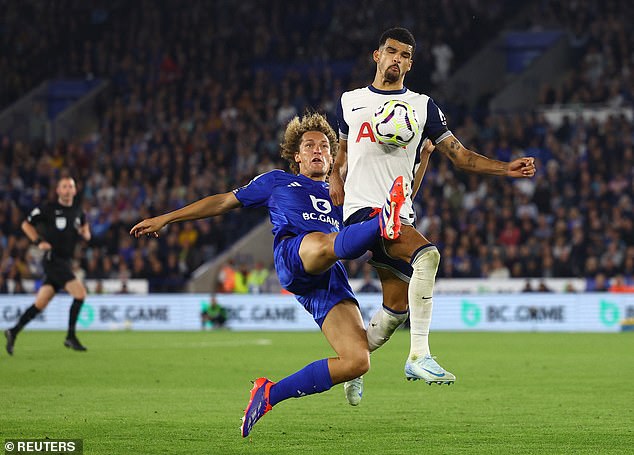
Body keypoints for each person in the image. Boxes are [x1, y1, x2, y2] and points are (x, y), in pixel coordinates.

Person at [129, 112, 413, 437]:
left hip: (327, 277)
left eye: (324, 146)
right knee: (323, 243)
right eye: (309, 145)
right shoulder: (277, 181)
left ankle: (267, 394)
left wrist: (423, 161)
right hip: (295, 254)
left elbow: (404, 206)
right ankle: (379, 222)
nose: (317, 150)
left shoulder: (345, 195)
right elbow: (223, 202)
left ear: (334, 157)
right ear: (297, 155)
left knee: (357, 361)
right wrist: (167, 218)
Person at [329, 27, 536, 403]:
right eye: (391, 51)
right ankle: (419, 355)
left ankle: (353, 365)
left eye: (405, 55)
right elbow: (341, 156)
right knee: (429, 255)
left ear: (411, 63)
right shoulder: (350, 101)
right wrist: (333, 178)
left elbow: (460, 155)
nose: (397, 59)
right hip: (364, 212)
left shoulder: (422, 107)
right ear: (377, 55)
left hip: (398, 215)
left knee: (395, 309)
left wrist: (506, 168)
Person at [4, 175, 91, 355]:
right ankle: (70, 336)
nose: (68, 190)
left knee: (40, 303)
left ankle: (13, 331)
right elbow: (26, 225)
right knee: (80, 294)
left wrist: (86, 233)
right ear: (58, 191)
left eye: (70, 186)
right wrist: (38, 241)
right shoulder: (48, 209)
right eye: (64, 186)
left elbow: (85, 228)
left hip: (65, 262)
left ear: (74, 191)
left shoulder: (78, 212)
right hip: (53, 260)